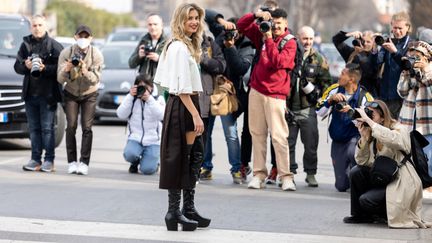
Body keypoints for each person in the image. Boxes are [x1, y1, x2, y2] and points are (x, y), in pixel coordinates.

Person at [153, 3, 210, 231]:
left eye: (196, 18)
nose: (194, 22)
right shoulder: (178, 47)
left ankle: (187, 209)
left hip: (186, 104)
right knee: (183, 159)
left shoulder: (185, 45)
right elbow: (180, 87)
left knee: (194, 156)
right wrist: (196, 115)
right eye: (190, 18)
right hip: (184, 106)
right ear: (180, 20)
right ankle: (174, 211)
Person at [343, 100, 431, 228]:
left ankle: (385, 214)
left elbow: (395, 140)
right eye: (367, 115)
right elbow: (362, 162)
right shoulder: (372, 132)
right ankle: (360, 215)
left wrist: (371, 123)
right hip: (383, 176)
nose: (368, 118)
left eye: (372, 115)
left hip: (399, 179)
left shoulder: (399, 128)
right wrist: (364, 138)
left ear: (383, 117)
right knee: (356, 171)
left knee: (366, 200)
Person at [237, 8, 297, 191]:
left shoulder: (290, 42)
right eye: (273, 22)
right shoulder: (262, 33)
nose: (275, 26)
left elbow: (278, 62)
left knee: (279, 137)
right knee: (257, 135)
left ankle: (286, 176)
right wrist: (255, 16)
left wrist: (269, 39)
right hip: (256, 91)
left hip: (276, 95)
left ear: (285, 24)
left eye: (279, 23)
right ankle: (258, 175)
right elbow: (241, 25)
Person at [14, 15, 63, 172]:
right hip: (30, 95)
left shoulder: (54, 46)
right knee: (33, 128)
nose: (37, 28)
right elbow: (17, 67)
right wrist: (25, 65)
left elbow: (61, 69)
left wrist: (44, 68)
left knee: (47, 129)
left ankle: (49, 160)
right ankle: (35, 159)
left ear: (46, 26)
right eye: (34, 25)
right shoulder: (25, 45)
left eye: (40, 25)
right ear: (31, 28)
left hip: (48, 95)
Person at [286, 26, 333, 187]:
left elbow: (327, 85)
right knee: (288, 144)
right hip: (289, 107)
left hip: (308, 109)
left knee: (311, 144)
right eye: (305, 38)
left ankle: (310, 173)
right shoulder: (290, 55)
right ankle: (288, 174)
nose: (308, 42)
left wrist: (316, 93)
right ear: (298, 37)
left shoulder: (319, 59)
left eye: (311, 39)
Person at [316, 63, 374, 192]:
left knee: (352, 152)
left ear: (351, 79)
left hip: (355, 139)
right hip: (337, 140)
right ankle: (348, 177)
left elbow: (370, 123)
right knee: (341, 186)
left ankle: (359, 179)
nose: (339, 75)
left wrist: (351, 112)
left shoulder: (365, 97)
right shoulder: (334, 89)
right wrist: (330, 100)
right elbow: (319, 112)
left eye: (342, 73)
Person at [57, 25, 104, 175]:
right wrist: (67, 69)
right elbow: (59, 79)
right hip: (70, 92)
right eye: (80, 36)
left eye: (86, 36)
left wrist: (85, 71)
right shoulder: (66, 53)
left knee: (87, 127)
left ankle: (84, 162)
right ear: (75, 37)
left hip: (89, 93)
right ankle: (71, 162)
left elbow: (96, 79)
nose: (83, 39)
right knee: (70, 126)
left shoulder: (96, 54)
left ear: (91, 38)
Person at [397, 41, 432, 199]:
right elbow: (402, 92)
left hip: (428, 124)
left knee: (429, 161)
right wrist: (406, 73)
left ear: (427, 57)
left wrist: (424, 71)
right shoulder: (409, 70)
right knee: (409, 160)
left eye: (419, 55)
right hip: (409, 121)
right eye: (413, 54)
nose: (415, 58)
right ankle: (412, 191)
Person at [116, 74, 165, 175]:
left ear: (151, 87)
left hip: (153, 141)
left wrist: (149, 99)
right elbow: (120, 114)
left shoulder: (158, 98)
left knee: (147, 170)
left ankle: (154, 161)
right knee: (129, 154)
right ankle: (135, 162)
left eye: (146, 87)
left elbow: (162, 115)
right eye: (140, 87)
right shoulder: (132, 98)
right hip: (135, 138)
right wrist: (130, 96)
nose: (143, 90)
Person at [371, 11, 412, 119]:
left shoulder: (411, 45)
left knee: (397, 131)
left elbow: (407, 66)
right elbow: (376, 63)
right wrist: (375, 48)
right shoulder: (388, 41)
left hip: (402, 96)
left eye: (400, 28)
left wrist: (394, 52)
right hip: (384, 96)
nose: (397, 31)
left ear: (408, 27)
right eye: (394, 28)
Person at [129, 14, 168, 96]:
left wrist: (159, 59)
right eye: (150, 24)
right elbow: (131, 64)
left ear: (161, 25)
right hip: (144, 85)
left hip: (161, 86)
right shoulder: (143, 40)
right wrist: (139, 56)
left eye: (155, 24)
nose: (152, 27)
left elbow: (174, 65)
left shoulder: (168, 42)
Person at [332, 30, 379, 96]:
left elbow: (370, 71)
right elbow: (336, 40)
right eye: (363, 41)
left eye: (368, 42)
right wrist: (349, 34)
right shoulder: (352, 53)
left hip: (367, 95)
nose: (365, 44)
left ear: (374, 43)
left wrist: (362, 53)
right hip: (349, 93)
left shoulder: (376, 56)